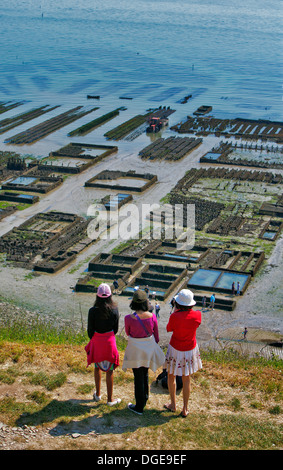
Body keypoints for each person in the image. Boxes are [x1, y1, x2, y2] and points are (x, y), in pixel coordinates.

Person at [122, 289, 165, 415]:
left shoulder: (128, 318)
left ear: (133, 304)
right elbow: (156, 336)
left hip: (135, 350)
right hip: (147, 350)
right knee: (144, 373)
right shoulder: (152, 317)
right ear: (146, 303)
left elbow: (128, 333)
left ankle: (139, 406)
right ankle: (144, 398)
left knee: (138, 376)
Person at [164, 289, 202, 418]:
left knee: (171, 375)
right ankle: (185, 408)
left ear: (178, 303)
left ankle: (173, 404)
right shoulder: (197, 315)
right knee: (186, 379)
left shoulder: (174, 316)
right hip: (190, 348)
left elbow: (169, 329)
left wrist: (175, 312)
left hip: (176, 347)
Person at [85, 283, 121, 406]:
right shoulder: (114, 310)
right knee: (109, 370)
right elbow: (115, 329)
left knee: (97, 367)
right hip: (109, 341)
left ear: (97, 297)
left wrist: (96, 338)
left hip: (97, 341)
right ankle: (110, 399)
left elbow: (90, 331)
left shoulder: (92, 311)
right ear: (110, 296)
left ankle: (98, 394)